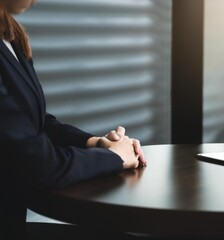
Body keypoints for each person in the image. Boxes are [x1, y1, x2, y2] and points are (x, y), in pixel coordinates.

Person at [0, 0, 147, 239]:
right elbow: (43, 167)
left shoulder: (12, 36)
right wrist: (114, 157)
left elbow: (34, 122)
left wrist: (95, 142)